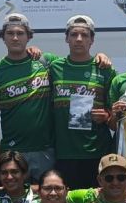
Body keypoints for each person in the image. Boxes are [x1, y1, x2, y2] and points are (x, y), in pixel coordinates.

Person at [0, 13, 57, 182]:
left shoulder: (46, 61)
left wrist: (101, 57)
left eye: (20, 33)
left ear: (29, 37)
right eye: (10, 34)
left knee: (47, 202)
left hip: (45, 150)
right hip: (13, 151)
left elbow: (75, 62)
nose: (15, 38)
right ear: (3, 37)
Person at [49, 15, 116, 189]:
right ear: (66, 38)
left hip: (97, 152)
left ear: (92, 40)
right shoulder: (54, 67)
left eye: (85, 35)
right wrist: (32, 49)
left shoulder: (105, 70)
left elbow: (116, 114)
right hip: (64, 153)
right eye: (74, 34)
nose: (79, 39)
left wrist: (106, 117)